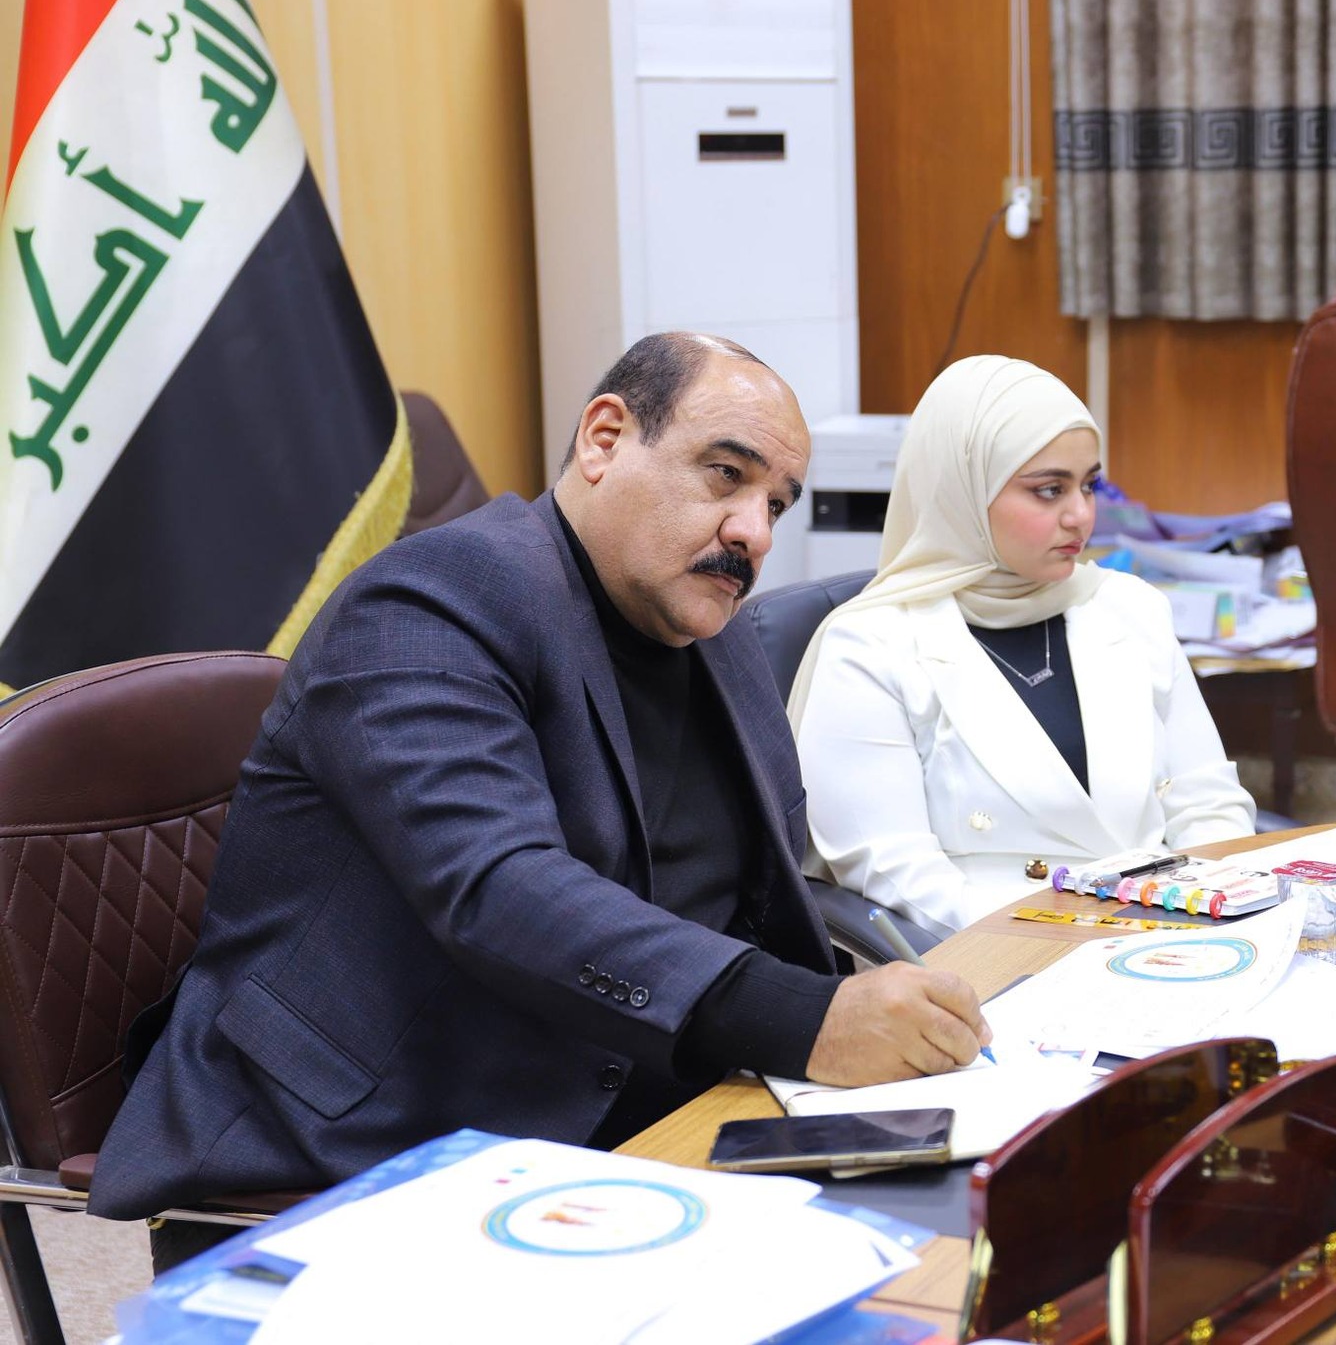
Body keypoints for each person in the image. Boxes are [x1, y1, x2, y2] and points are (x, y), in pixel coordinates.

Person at [93, 333, 990, 1246]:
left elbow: (755, 901)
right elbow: (501, 890)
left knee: (964, 1228)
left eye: (776, 504)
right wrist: (803, 1021)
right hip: (376, 1132)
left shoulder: (708, 630)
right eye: (726, 474)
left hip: (643, 1102)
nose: (753, 533)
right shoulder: (426, 603)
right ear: (604, 439)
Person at [789, 355, 1255, 935]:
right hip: (991, 956)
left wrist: (1229, 914)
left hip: (1172, 939)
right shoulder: (871, 646)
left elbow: (1208, 803)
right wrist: (1073, 943)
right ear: (964, 492)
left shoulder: (1130, 607)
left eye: (1089, 485)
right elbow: (894, 870)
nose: (1080, 515)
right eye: (1049, 490)